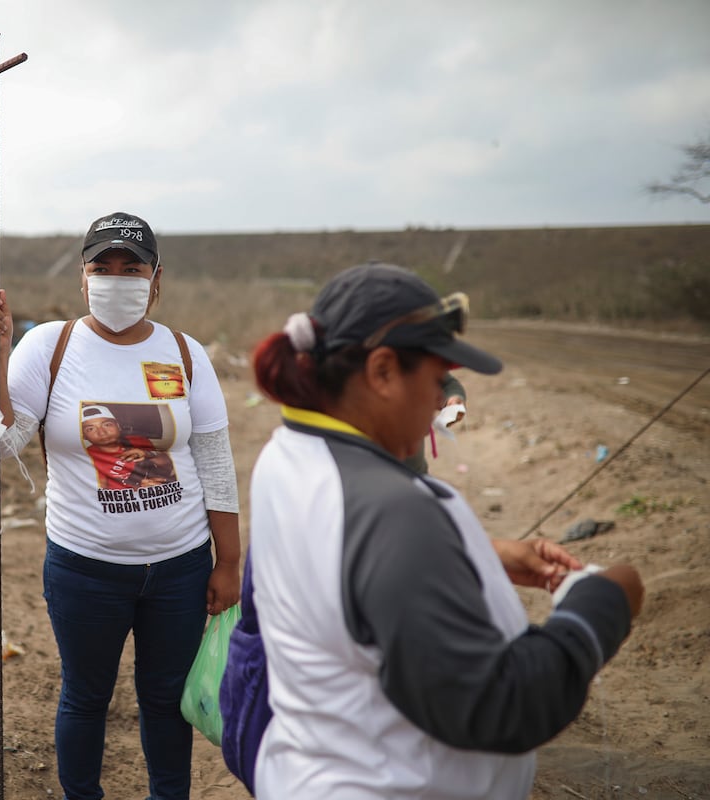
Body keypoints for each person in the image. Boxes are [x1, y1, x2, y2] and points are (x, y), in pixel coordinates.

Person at [240, 262, 644, 799]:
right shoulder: (391, 511)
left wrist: (477, 553)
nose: (441, 401)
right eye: (436, 379)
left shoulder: (286, 454)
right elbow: (500, 707)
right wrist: (602, 602)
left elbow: (341, 575)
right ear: (382, 371)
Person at [0, 212, 242, 800]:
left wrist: (228, 564)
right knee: (85, 696)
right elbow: (0, 444)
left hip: (180, 567)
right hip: (84, 569)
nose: (117, 280)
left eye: (132, 268)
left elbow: (216, 465)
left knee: (166, 697)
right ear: (83, 277)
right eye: (104, 268)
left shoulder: (185, 353)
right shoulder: (50, 346)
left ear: (156, 279)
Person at [81, 403, 177, 489]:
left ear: (118, 426)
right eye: (90, 429)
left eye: (107, 425)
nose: (102, 432)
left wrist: (148, 454)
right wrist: (137, 487)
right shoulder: (87, 458)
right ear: (84, 436)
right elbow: (98, 493)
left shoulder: (137, 440)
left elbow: (167, 464)